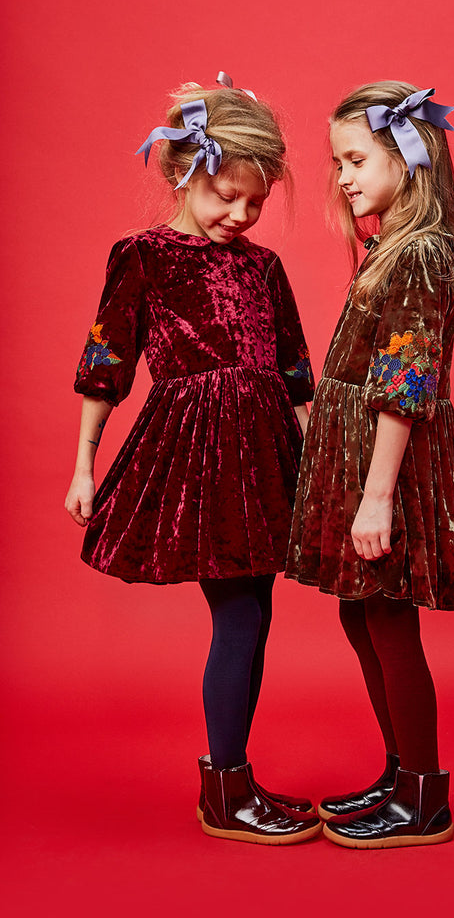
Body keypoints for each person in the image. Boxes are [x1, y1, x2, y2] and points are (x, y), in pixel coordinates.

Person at [65, 78, 321, 845]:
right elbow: (104, 362)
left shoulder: (263, 265)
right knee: (239, 612)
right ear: (181, 172)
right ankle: (226, 787)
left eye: (254, 203)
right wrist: (84, 464)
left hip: (267, 443)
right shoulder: (144, 256)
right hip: (201, 451)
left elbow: (295, 368)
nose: (239, 216)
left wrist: (317, 459)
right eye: (225, 196)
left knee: (258, 613)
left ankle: (233, 781)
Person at [286, 82, 454, 848]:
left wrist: (376, 498)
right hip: (356, 449)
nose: (342, 175)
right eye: (337, 160)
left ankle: (423, 794)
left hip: (386, 460)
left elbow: (405, 382)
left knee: (387, 614)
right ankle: (398, 770)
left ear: (409, 156)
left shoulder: (423, 252)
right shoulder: (388, 244)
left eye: (355, 158)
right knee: (357, 609)